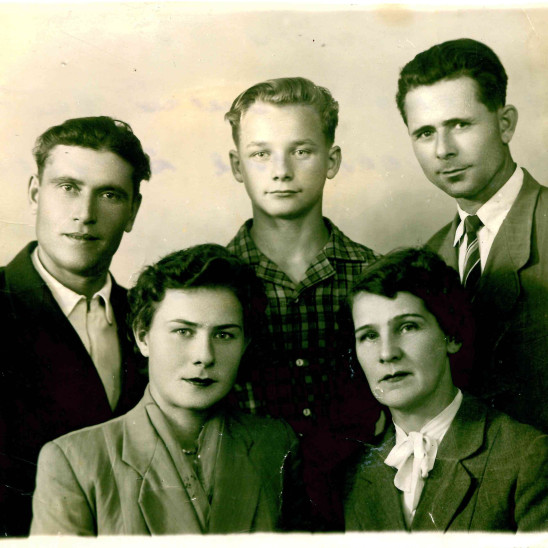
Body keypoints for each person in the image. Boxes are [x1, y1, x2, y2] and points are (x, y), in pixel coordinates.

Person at [31, 244, 306, 535]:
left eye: (224, 335)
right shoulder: (74, 460)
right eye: (183, 332)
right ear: (143, 337)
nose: (204, 356)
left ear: (245, 344)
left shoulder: (276, 445)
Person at [225, 76, 381, 528]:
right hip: (246, 512)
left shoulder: (375, 276)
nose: (281, 171)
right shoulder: (213, 287)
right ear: (237, 165)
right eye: (261, 154)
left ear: (331, 160)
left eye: (301, 151)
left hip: (360, 509)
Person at [0, 116, 151, 535]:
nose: (85, 214)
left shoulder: (151, 316)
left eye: (109, 194)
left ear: (132, 211)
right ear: (35, 194)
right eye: (68, 188)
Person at [396, 38, 548, 432]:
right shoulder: (431, 257)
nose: (443, 150)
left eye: (460, 125)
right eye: (424, 133)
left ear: (505, 123)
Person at [344, 247, 548, 532]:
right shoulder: (355, 474)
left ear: (451, 335)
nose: (387, 353)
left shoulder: (526, 458)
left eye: (407, 327)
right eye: (369, 335)